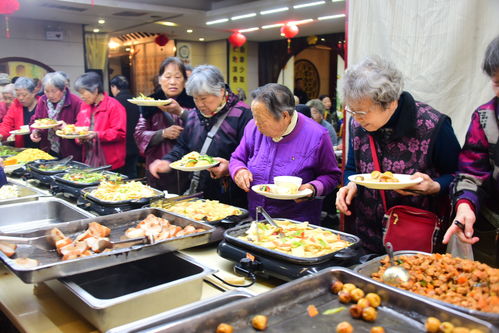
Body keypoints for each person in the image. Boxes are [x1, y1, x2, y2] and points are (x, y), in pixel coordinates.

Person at [335, 56, 461, 254]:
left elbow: (459, 174)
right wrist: (350, 184)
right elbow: (352, 168)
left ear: (391, 103)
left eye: (362, 112)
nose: (356, 119)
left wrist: (435, 186)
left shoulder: (433, 125)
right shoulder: (357, 124)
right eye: (352, 111)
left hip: (414, 240)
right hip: (366, 237)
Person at [230, 83, 341, 225]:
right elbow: (237, 158)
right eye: (254, 117)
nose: (256, 124)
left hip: (298, 225)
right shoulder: (252, 127)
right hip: (257, 219)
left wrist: (313, 188)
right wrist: (239, 170)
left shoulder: (317, 136)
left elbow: (331, 176)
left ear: (285, 116)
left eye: (262, 120)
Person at [149, 65, 252, 206]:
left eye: (203, 98)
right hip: (198, 196)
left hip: (231, 198)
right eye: (195, 99)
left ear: (221, 91)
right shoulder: (194, 115)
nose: (199, 104)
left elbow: (251, 157)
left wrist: (230, 168)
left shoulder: (244, 115)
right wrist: (167, 162)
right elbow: (183, 148)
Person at [443, 36, 499, 266]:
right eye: (496, 83)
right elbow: (470, 172)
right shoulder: (485, 117)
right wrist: (465, 204)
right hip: (491, 223)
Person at [135, 57, 196, 192]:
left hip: (188, 167)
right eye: (167, 77)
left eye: (178, 77)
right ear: (159, 79)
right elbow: (139, 135)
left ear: (185, 80)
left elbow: (202, 129)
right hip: (158, 165)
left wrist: (182, 113)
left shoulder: (195, 102)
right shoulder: (148, 103)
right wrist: (162, 133)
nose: (172, 82)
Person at [74, 72, 126, 169]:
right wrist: (78, 138)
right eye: (79, 93)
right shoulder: (84, 106)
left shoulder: (114, 106)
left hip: (109, 162)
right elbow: (79, 126)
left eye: (83, 92)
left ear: (95, 90)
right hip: (89, 159)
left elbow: (119, 133)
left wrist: (97, 135)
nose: (81, 97)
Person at [30, 72, 83, 160]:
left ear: (63, 89)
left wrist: (67, 128)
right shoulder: (42, 101)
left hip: (70, 151)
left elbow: (82, 128)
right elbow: (36, 120)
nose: (50, 95)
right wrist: (35, 131)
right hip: (47, 149)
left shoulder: (76, 102)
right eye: (47, 91)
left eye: (54, 91)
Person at [110, 75, 140, 178]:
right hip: (135, 145)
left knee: (119, 177)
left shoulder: (114, 103)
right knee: (132, 175)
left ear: (114, 87)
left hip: (120, 147)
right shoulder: (136, 101)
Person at [0, 77, 39, 148]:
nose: (20, 98)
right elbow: (7, 123)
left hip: (42, 145)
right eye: (18, 95)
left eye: (24, 95)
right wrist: (1, 134)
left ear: (33, 93)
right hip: (23, 147)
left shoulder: (42, 104)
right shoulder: (16, 105)